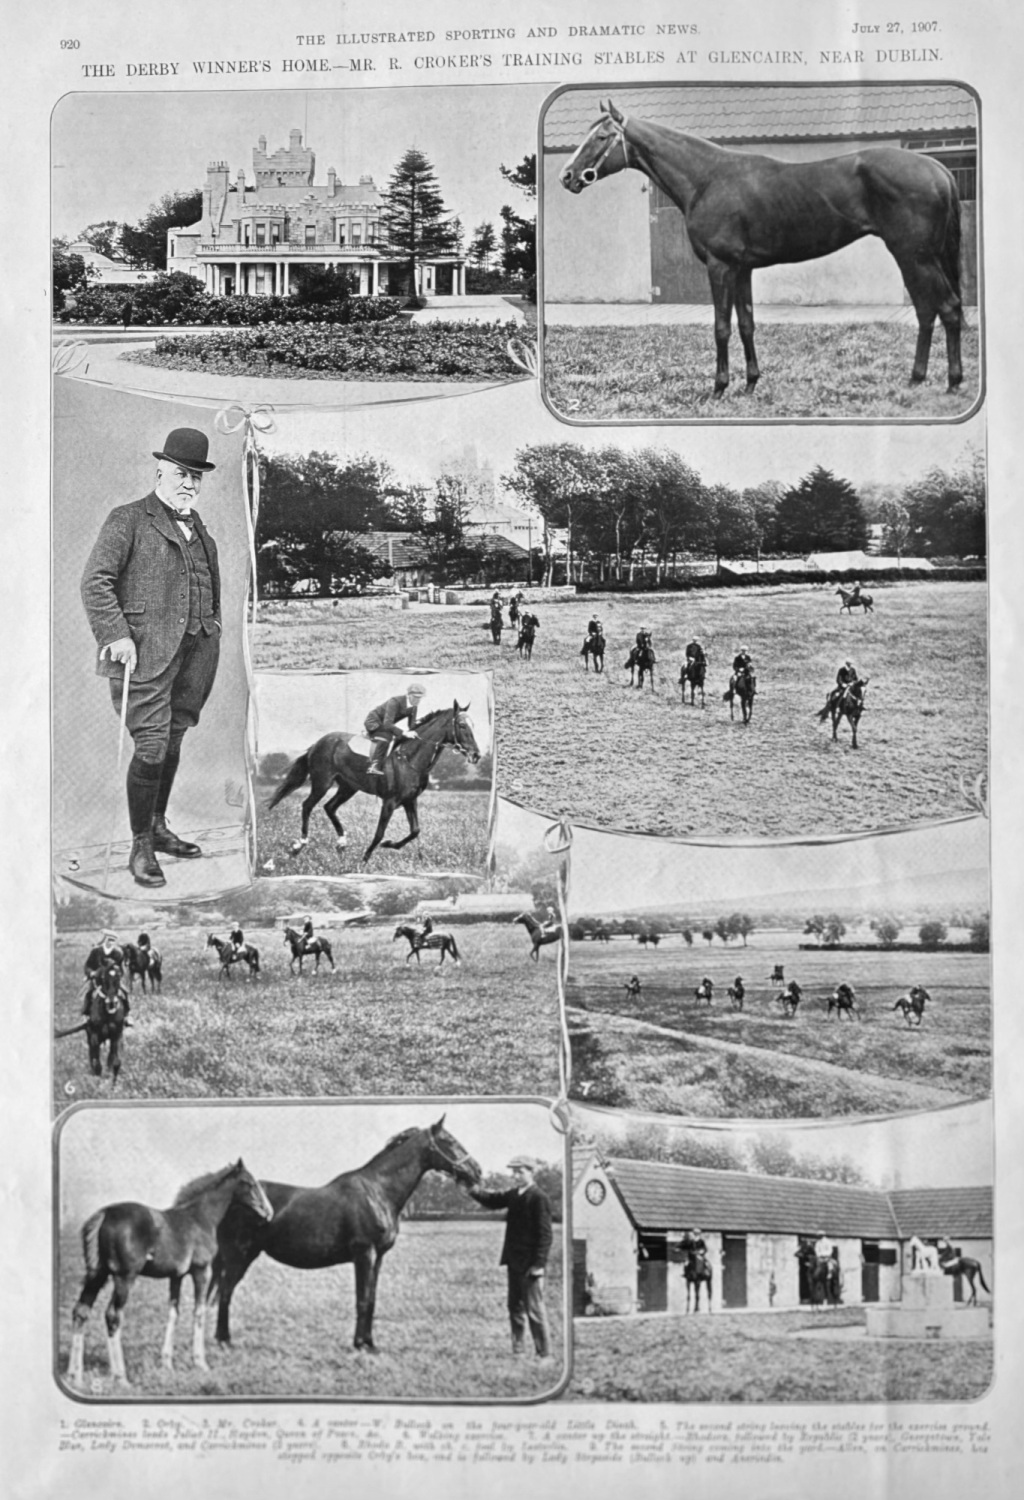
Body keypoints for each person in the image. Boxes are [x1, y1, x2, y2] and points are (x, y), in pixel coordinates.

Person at [81, 427, 220, 888]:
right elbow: (95, 581)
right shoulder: (128, 519)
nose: (189, 484)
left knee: (175, 739)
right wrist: (116, 635)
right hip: (142, 657)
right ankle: (140, 844)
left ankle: (158, 826)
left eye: (197, 477)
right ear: (160, 470)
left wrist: (211, 628)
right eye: (182, 473)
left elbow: (208, 592)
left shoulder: (202, 532)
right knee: (152, 745)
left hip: (195, 653)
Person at [468, 1155, 553, 1360]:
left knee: (534, 1311)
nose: (515, 1175)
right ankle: (519, 1351)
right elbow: (492, 1200)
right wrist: (472, 1190)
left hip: (530, 1266)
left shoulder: (539, 1197)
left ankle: (545, 1355)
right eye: (513, 1172)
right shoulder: (514, 1194)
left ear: (531, 1172)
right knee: (514, 1307)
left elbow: (545, 1235)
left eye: (520, 1171)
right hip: (513, 1263)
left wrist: (539, 1264)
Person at [363, 683, 426, 777]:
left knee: (401, 736)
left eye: (420, 698)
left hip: (385, 724)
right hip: (373, 721)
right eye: (415, 697)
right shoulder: (395, 701)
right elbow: (387, 724)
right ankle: (374, 766)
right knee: (387, 736)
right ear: (408, 695)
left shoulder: (414, 707)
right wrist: (404, 733)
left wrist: (420, 729)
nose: (418, 700)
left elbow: (411, 725)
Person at [78, 929, 124, 1014]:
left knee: (124, 993)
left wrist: (117, 974)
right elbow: (88, 965)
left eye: (113, 941)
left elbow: (121, 970)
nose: (111, 943)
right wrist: (91, 973)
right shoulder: (96, 951)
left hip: (112, 981)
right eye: (109, 940)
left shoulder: (118, 954)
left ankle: (127, 1015)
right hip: (97, 980)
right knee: (89, 994)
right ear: (105, 939)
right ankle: (86, 1013)